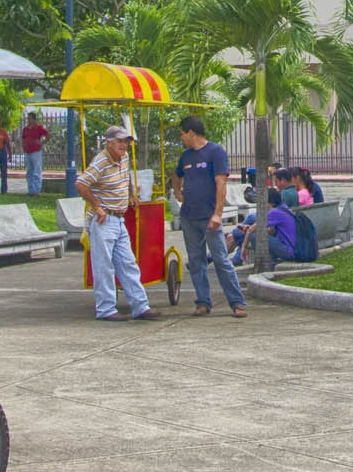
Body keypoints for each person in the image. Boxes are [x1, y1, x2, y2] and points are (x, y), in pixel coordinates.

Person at [77, 123, 159, 322]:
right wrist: (97, 205)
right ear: (109, 143)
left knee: (128, 263)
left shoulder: (124, 159)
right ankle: (105, 309)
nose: (124, 145)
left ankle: (140, 306)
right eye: (120, 141)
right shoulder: (101, 161)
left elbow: (126, 178)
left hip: (119, 218)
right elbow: (81, 184)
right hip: (104, 219)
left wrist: (131, 195)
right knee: (104, 266)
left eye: (126, 142)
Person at [172, 114, 247, 317]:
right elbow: (176, 176)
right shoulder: (186, 156)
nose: (182, 138)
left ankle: (237, 302)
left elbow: (221, 183)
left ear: (191, 132)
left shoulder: (215, 152)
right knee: (196, 261)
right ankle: (203, 302)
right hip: (189, 216)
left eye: (182, 134)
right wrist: (178, 192)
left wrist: (218, 214)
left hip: (209, 216)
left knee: (221, 259)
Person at [20, 111, 48, 195]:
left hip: (36, 152)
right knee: (29, 172)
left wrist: (42, 142)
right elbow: (23, 139)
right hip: (27, 152)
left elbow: (48, 135)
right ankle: (30, 190)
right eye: (28, 118)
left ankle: (36, 190)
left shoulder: (39, 128)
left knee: (36, 171)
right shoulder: (25, 129)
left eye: (30, 118)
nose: (28, 120)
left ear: (34, 119)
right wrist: (23, 146)